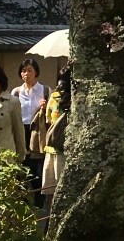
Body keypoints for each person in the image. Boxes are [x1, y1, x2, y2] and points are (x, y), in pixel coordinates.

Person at [12, 58, 48, 208]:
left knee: (36, 166)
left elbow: (52, 114)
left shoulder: (45, 90)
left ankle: (39, 201)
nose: (26, 73)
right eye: (23, 70)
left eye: (30, 70)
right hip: (20, 129)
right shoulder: (16, 91)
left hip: (36, 131)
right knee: (21, 165)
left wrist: (45, 107)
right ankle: (23, 200)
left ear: (36, 72)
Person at [41, 66, 71, 227]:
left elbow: (47, 121)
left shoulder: (53, 97)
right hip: (66, 149)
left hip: (52, 146)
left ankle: (49, 225)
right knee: (63, 190)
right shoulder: (78, 98)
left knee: (50, 193)